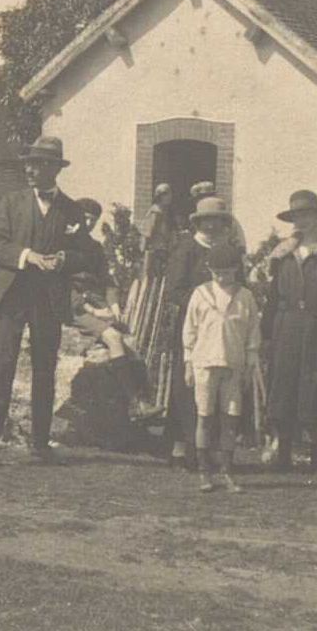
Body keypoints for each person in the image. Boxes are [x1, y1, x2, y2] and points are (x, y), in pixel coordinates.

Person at [0, 136, 95, 468]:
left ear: (54, 169)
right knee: (0, 368)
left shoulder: (71, 210)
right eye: (28, 163)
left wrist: (64, 260)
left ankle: (40, 444)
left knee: (45, 370)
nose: (30, 169)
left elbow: (85, 255)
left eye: (39, 164)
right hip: (11, 295)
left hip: (48, 300)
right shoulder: (11, 203)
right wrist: (27, 255)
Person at [261, 190, 317, 478]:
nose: (301, 220)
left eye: (307, 215)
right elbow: (272, 297)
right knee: (284, 385)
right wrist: (266, 333)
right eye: (297, 215)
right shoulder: (283, 253)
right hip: (286, 325)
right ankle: (283, 454)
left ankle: (316, 459)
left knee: (316, 387)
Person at [163, 196, 241, 469]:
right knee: (189, 387)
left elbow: (238, 285)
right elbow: (173, 291)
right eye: (206, 220)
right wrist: (203, 300)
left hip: (222, 329)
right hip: (194, 326)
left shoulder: (228, 249)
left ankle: (208, 449)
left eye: (217, 220)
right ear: (198, 222)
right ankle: (184, 448)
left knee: (218, 389)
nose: (211, 225)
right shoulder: (187, 249)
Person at [182, 242, 261, 493]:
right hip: (204, 363)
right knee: (204, 417)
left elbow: (252, 334)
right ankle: (205, 472)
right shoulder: (200, 294)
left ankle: (227, 470)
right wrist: (188, 363)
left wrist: (249, 365)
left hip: (233, 365)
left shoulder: (245, 297)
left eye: (226, 272)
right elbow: (190, 330)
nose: (222, 277)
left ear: (236, 269)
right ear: (209, 270)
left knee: (230, 420)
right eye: (217, 272)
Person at [68, 197, 156, 419]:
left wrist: (114, 304)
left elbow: (107, 281)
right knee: (114, 338)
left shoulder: (94, 248)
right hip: (75, 308)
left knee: (132, 347)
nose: (88, 223)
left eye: (93, 220)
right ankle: (134, 404)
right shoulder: (61, 245)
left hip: (98, 304)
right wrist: (93, 310)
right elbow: (59, 287)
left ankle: (145, 402)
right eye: (84, 218)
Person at [188, 181, 247, 250]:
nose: (200, 201)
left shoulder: (221, 215)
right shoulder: (195, 217)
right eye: (197, 199)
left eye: (204, 197)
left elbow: (230, 239)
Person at [139, 183, 177, 279]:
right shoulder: (155, 212)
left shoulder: (166, 212)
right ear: (160, 196)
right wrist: (144, 252)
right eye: (166, 194)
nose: (170, 197)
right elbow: (147, 233)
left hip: (163, 249)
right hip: (154, 251)